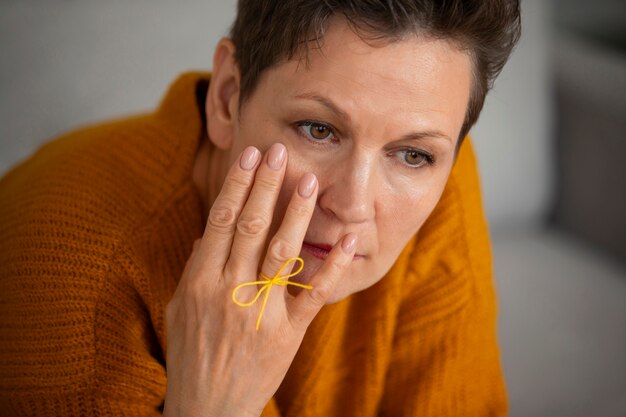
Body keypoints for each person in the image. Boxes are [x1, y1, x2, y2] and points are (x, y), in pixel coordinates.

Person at [0, 1, 521, 416]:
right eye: (319, 129)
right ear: (228, 97)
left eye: (412, 154)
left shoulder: (438, 170)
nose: (354, 205)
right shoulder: (68, 294)